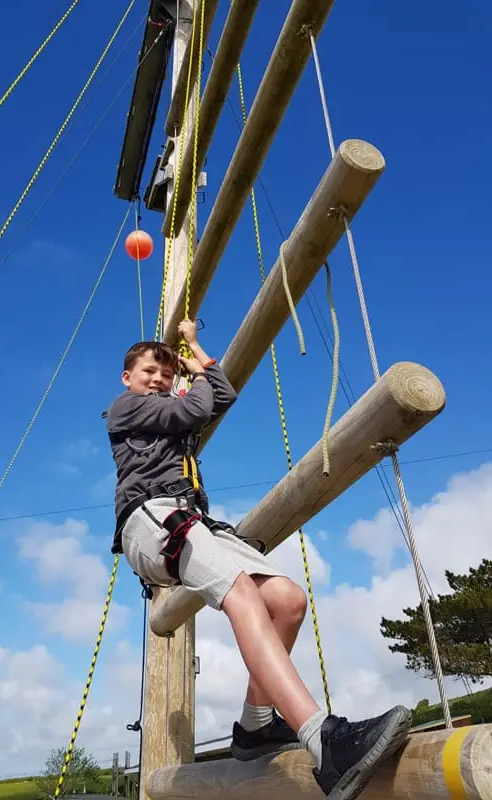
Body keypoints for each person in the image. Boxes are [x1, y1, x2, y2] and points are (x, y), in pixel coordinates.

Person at [106, 319, 411, 800]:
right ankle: (323, 741)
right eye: (149, 372)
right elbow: (197, 408)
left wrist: (196, 350)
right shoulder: (128, 407)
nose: (159, 380)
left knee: (287, 600)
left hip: (190, 518)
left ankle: (255, 727)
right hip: (151, 518)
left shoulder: (171, 404)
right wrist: (193, 378)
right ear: (128, 378)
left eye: (166, 375)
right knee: (242, 592)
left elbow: (221, 395)